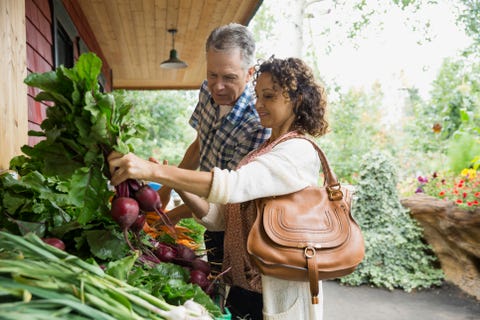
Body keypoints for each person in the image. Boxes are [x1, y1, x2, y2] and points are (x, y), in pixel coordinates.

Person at [108, 56, 329, 320]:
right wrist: (172, 182)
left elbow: (232, 186)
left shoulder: (297, 150)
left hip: (276, 294)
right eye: (257, 95)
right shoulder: (264, 150)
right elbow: (220, 217)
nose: (258, 104)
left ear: (298, 99)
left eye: (268, 96)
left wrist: (155, 171)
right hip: (242, 288)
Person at [156, 23, 271, 276]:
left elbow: (226, 197)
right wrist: (163, 192)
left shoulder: (258, 123)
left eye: (229, 77)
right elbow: (199, 146)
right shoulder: (207, 92)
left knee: (232, 290)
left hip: (238, 230)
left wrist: (172, 214)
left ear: (250, 72)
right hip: (205, 214)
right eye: (212, 74)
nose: (217, 86)